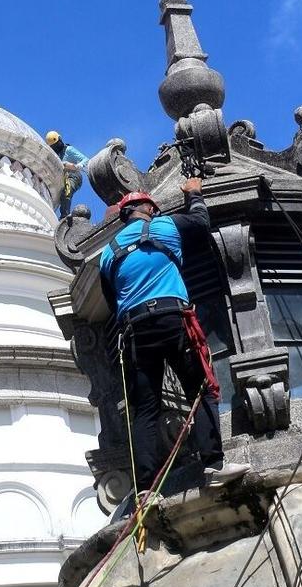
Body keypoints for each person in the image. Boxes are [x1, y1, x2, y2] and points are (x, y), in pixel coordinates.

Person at [99, 179, 250, 492]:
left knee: (146, 408)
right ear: (149, 210)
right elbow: (200, 223)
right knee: (202, 389)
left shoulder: (107, 254)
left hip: (135, 332)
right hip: (172, 318)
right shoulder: (164, 226)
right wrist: (194, 193)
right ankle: (213, 466)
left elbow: (111, 299)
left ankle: (145, 490)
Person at [45, 131, 88, 218]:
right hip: (63, 178)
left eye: (56, 144)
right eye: (54, 147)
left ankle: (65, 216)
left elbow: (85, 159)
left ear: (60, 140)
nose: (56, 147)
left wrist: (79, 165)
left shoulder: (68, 149)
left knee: (66, 191)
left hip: (73, 176)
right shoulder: (56, 155)